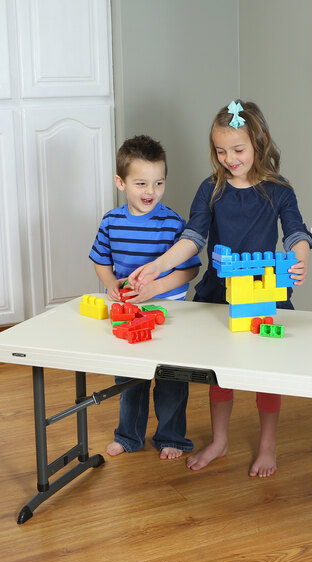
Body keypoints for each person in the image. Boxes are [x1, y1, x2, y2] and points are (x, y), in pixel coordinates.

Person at [128, 101, 312, 477]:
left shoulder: (278, 190)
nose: (229, 158)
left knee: (266, 373)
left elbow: (296, 231)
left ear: (259, 142)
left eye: (238, 149)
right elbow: (193, 237)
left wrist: (301, 256)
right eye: (220, 151)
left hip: (264, 296)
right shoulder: (210, 189)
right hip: (217, 295)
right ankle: (220, 440)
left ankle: (267, 446)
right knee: (220, 372)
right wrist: (160, 264)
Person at [89, 135, 201, 460]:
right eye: (140, 183)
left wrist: (157, 288)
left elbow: (189, 270)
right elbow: (100, 259)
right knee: (130, 380)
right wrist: (110, 282)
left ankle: (171, 437)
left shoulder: (172, 223)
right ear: (120, 182)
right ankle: (128, 436)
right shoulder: (111, 222)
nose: (150, 192)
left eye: (158, 183)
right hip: (128, 314)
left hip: (170, 314)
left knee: (172, 381)